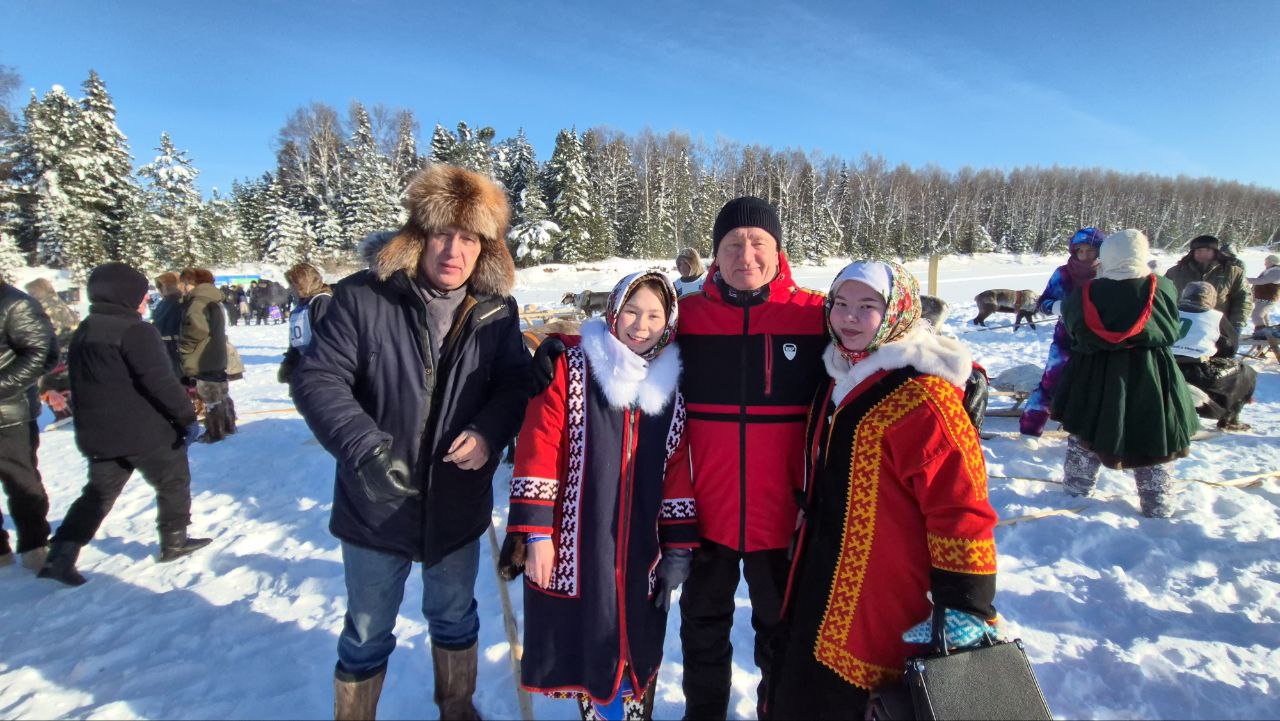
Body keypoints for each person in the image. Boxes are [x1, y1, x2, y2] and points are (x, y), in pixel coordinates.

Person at [292, 164, 533, 721]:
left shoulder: (496, 310)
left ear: (485, 248)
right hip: (375, 501)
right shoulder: (362, 297)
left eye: (469, 238)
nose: (454, 250)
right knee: (366, 631)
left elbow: (513, 384)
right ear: (419, 236)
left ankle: (458, 707)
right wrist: (364, 448)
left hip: (457, 501)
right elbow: (318, 378)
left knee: (455, 616)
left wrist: (489, 432)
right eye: (443, 234)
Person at [769, 260, 998, 719]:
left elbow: (961, 504)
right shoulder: (837, 374)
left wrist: (966, 601)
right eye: (841, 304)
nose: (849, 318)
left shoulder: (924, 397)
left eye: (867, 306)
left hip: (888, 592)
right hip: (821, 574)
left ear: (898, 311)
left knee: (869, 698)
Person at [510, 271, 698, 720]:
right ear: (613, 311)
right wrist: (536, 533)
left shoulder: (668, 389)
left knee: (635, 640)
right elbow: (539, 445)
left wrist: (678, 546)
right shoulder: (573, 369)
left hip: (640, 547)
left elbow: (676, 470)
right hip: (577, 541)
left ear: (668, 323)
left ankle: (629, 712)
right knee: (588, 641)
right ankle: (598, 711)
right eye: (631, 311)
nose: (640, 326)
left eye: (654, 316)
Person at [675, 197, 828, 718]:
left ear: (777, 250)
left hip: (783, 517)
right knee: (701, 631)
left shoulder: (813, 314)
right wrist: (565, 348)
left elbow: (882, 340)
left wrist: (947, 368)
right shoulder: (687, 317)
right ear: (715, 255)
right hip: (706, 513)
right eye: (732, 244)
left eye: (757, 242)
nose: (746, 255)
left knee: (782, 635)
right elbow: (628, 338)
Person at [38, 262, 209, 587]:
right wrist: (186, 417)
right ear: (123, 294)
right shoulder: (135, 331)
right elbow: (160, 382)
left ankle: (61, 554)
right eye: (141, 295)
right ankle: (174, 541)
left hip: (99, 434)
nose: (145, 301)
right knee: (173, 480)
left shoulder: (85, 329)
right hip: (143, 432)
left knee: (97, 494)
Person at [1053, 229, 1198, 518]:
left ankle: (1076, 489)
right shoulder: (1162, 286)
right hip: (1150, 370)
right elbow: (1171, 328)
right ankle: (1158, 502)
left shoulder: (1088, 292)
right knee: (1154, 430)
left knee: (1087, 424)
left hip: (1097, 370)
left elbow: (1076, 329)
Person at [1020, 227, 1105, 436]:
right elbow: (1043, 302)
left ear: (1100, 251)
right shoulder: (1063, 273)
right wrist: (1058, 307)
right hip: (1066, 337)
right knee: (1052, 380)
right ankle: (1031, 428)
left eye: (1090, 250)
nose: (1084, 255)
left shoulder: (1108, 274)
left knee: (1095, 383)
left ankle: (1089, 429)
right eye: (1079, 250)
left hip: (1098, 339)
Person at [0, 274, 56, 571]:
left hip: (10, 413)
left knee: (21, 481)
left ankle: (34, 543)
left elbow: (41, 354)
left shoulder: (15, 303)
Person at [1171, 282, 1257, 431]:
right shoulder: (1216, 317)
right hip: (1198, 371)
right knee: (1247, 372)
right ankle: (1230, 419)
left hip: (1165, 364)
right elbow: (1230, 348)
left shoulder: (1169, 311)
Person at [1165, 234, 1249, 357]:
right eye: (1199, 250)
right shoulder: (1175, 272)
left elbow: (1243, 299)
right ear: (1192, 252)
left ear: (1215, 252)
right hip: (1183, 328)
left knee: (1218, 363)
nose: (1203, 254)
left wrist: (1236, 324)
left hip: (1220, 329)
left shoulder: (1232, 272)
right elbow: (1164, 297)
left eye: (1207, 250)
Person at [178, 267, 236, 443]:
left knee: (209, 395)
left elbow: (198, 328)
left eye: (184, 283)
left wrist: (185, 344)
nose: (183, 287)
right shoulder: (213, 298)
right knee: (220, 392)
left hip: (202, 356)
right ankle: (228, 424)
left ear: (191, 283)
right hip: (216, 353)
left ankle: (214, 431)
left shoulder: (198, 301)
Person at [278, 262, 333, 387]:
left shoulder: (321, 301)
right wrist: (290, 362)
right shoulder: (302, 305)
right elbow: (296, 339)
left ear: (305, 283)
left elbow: (325, 340)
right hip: (302, 363)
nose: (291, 288)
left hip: (319, 368)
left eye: (294, 285)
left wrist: (311, 365)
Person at [151, 272, 184, 378]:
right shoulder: (166, 301)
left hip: (173, 346)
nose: (159, 290)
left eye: (161, 286)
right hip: (167, 345)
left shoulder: (176, 301)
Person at [1246, 254, 1280, 336]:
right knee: (1264, 317)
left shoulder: (1276, 271)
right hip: (1263, 298)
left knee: (1256, 315)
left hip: (1267, 299)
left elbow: (1261, 281)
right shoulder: (1270, 270)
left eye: (1266, 262)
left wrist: (1245, 280)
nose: (1264, 264)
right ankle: (1268, 335)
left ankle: (1262, 334)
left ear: (1272, 262)